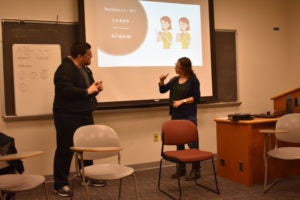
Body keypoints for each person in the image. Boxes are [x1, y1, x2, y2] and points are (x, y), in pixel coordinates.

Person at [52, 42, 104, 197]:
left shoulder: (86, 69)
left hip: (84, 113)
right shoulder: (64, 69)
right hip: (67, 115)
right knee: (65, 149)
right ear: (80, 56)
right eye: (89, 54)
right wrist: (87, 90)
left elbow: (87, 91)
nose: (92, 56)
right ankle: (60, 184)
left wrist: (95, 89)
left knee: (87, 147)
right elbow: (65, 90)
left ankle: (87, 176)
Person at [159, 57, 201, 181]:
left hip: (188, 115)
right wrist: (161, 81)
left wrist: (182, 101)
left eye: (177, 66)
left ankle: (196, 170)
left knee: (192, 144)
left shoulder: (193, 81)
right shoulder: (174, 80)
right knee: (179, 143)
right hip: (176, 115)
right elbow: (162, 90)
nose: (175, 68)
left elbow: (196, 97)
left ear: (184, 68)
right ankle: (181, 169)